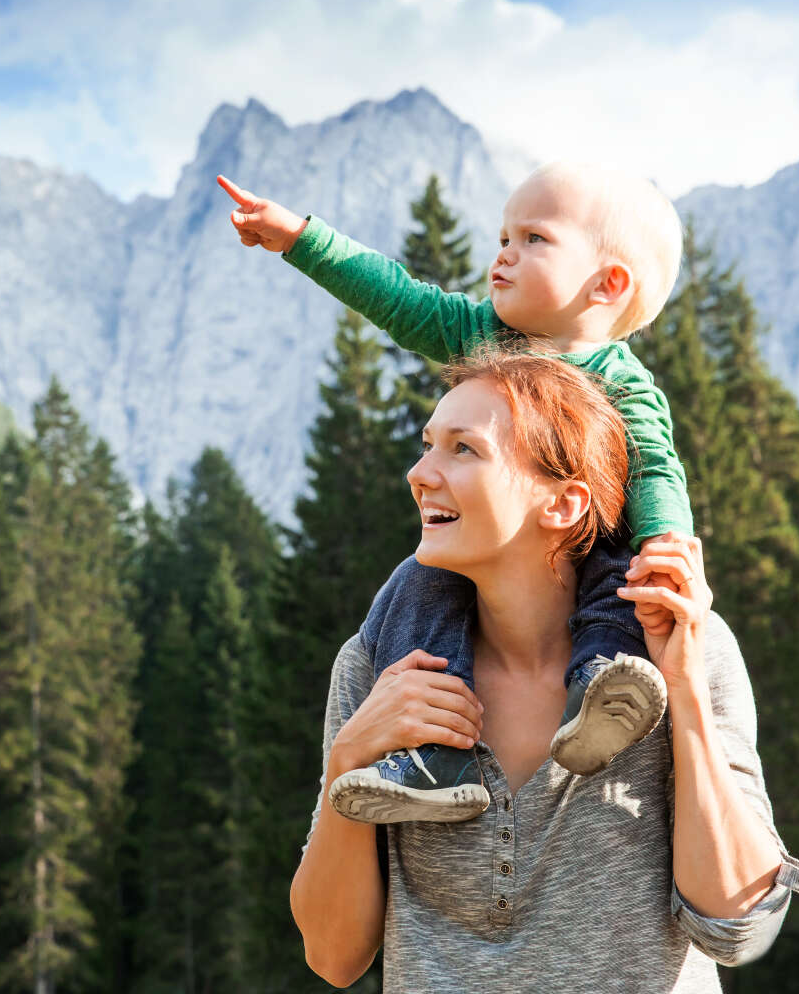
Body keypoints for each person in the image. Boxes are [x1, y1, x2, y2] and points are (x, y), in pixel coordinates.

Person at [289, 351, 799, 991]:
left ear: (565, 504)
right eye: (428, 445)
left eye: (463, 450)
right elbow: (333, 955)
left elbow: (735, 928)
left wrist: (683, 693)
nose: (419, 473)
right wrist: (348, 761)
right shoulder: (379, 668)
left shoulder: (681, 649)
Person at [217, 163, 698, 820]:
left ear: (609, 283)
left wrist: (666, 542)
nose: (504, 252)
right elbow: (396, 296)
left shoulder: (625, 384)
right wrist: (301, 238)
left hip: (586, 543)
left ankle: (601, 694)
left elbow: (656, 474)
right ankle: (432, 757)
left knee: (620, 579)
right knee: (417, 590)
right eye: (504, 235)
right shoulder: (481, 334)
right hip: (483, 550)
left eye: (534, 239)